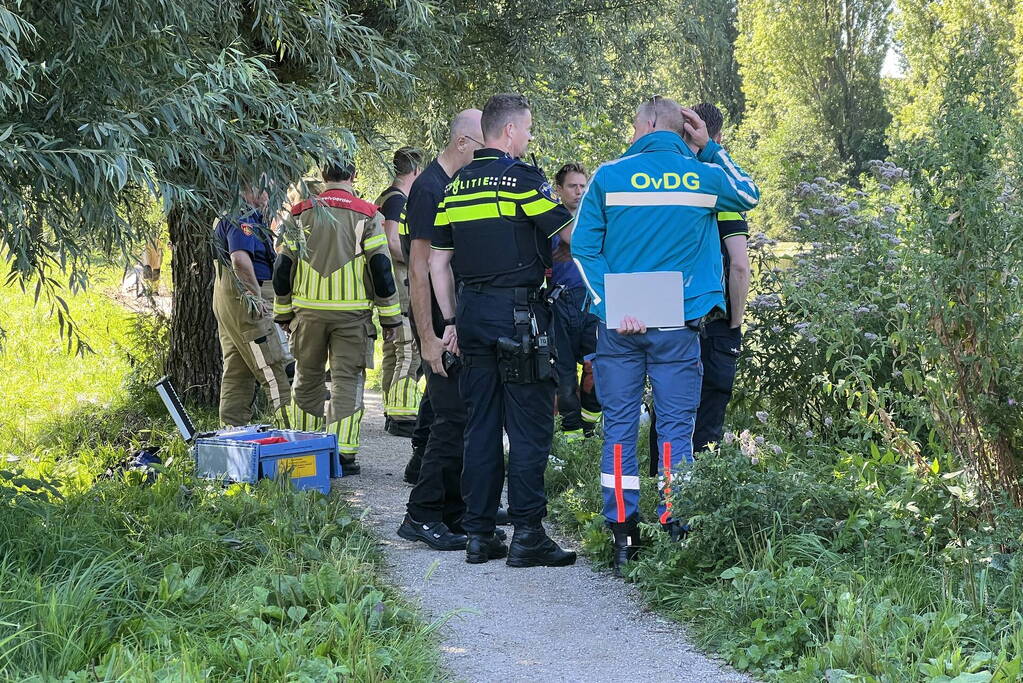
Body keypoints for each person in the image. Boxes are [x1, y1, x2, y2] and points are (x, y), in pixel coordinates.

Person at [571, 96, 759, 575]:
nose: (632, 133)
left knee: (617, 429)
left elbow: (583, 249)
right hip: (678, 324)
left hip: (620, 327)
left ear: (650, 123)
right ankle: (676, 527)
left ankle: (622, 534)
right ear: (685, 129)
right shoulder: (703, 176)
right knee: (676, 430)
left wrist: (613, 306)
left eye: (635, 124)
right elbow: (749, 194)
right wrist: (710, 146)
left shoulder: (609, 175)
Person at [431, 93, 577, 567]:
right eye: (528, 129)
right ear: (510, 132)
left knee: (481, 425)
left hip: (472, 317)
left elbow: (438, 263)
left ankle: (479, 535)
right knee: (530, 426)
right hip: (520, 317)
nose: (530, 136)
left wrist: (450, 320)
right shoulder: (523, 181)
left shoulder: (454, 188)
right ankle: (528, 534)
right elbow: (566, 233)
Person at [272, 161, 402, 475]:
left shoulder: (300, 212)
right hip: (352, 316)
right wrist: (391, 320)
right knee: (346, 381)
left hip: (307, 314)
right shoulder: (369, 214)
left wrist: (283, 312)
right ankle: (342, 453)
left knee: (307, 378)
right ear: (354, 176)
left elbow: (282, 268)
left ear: (322, 174)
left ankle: (306, 449)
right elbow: (382, 271)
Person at [396, 110, 483, 551]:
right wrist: (428, 337)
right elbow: (418, 269)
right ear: (465, 143)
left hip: (450, 325)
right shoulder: (430, 189)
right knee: (450, 419)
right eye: (483, 148)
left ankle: (451, 510)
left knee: (460, 416)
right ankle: (422, 513)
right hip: (436, 327)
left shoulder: (447, 185)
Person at [648, 103, 751, 469]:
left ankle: (660, 491)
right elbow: (738, 265)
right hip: (713, 315)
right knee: (707, 410)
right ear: (715, 137)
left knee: (667, 405)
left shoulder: (660, 182)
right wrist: (735, 323)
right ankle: (694, 498)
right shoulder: (715, 186)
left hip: (663, 310)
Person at [212, 184, 292, 427]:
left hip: (228, 297)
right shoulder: (243, 215)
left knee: (238, 369)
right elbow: (240, 260)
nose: (269, 196)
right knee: (275, 367)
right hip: (246, 297)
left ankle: (232, 433)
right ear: (250, 189)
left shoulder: (229, 214)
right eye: (266, 189)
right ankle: (293, 435)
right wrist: (254, 296)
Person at [376, 147, 426, 438]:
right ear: (417, 171)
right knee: (410, 350)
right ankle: (402, 414)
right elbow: (393, 241)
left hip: (390, 286)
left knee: (395, 350)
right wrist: (418, 263)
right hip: (402, 285)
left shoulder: (385, 197)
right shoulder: (397, 200)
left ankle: (391, 407)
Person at [550, 162, 602, 440]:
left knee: (598, 368)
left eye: (583, 186)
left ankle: (589, 429)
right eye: (572, 186)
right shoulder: (547, 220)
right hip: (559, 303)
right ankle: (571, 435)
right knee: (564, 375)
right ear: (559, 189)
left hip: (591, 303)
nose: (579, 191)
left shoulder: (595, 220)